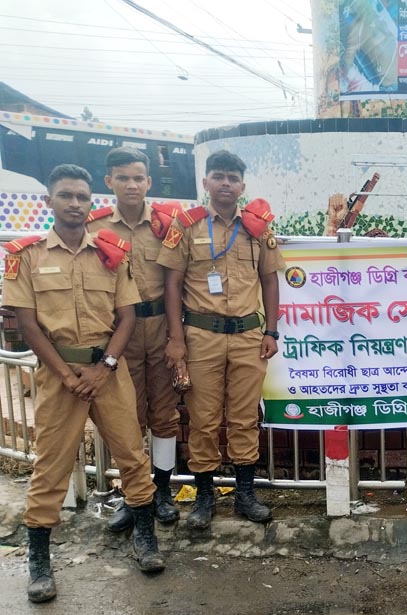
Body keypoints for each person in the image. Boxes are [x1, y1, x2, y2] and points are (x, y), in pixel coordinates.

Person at [3, 164, 165, 603]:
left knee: (133, 455)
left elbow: (127, 316)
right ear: (49, 202)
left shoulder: (110, 253)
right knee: (51, 466)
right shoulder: (28, 254)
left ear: (91, 203)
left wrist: (105, 367)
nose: (75, 204)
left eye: (81, 197)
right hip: (60, 378)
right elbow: (27, 323)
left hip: (107, 373)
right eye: (66, 196)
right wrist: (65, 374)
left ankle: (146, 539)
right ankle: (39, 560)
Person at [157, 150, 285, 529]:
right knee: (203, 420)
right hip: (201, 337)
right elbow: (172, 283)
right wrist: (176, 339)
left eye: (232, 177)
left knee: (246, 418)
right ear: (206, 183)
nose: (225, 183)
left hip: (248, 336)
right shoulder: (188, 226)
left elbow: (270, 279)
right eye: (218, 176)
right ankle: (204, 498)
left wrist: (272, 330)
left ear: (242, 186)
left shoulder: (257, 228)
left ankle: (245, 495)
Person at [87, 147, 182, 531]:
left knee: (164, 415)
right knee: (125, 419)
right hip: (118, 333)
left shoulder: (166, 224)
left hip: (160, 327)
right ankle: (133, 495)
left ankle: (161, 492)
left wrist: (178, 336)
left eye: (138, 177)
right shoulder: (94, 229)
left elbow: (179, 279)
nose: (131, 184)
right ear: (108, 181)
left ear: (149, 181)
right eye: (122, 177)